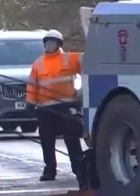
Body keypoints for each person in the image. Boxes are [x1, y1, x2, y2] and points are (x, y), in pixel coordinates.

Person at [26, 29, 87, 189]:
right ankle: (50, 170)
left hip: (66, 107)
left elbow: (89, 62)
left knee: (72, 140)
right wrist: (30, 103)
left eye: (52, 42)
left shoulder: (70, 58)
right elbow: (32, 85)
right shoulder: (38, 63)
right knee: (46, 141)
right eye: (46, 42)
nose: (49, 45)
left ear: (59, 44)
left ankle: (80, 171)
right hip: (45, 109)